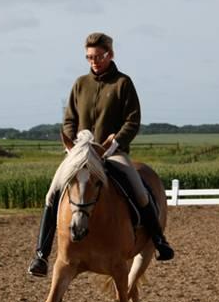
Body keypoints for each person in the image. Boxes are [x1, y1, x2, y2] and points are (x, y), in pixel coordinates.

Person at [28, 32, 174, 277]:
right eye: (89, 57)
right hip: (81, 155)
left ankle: (159, 240)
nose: (93, 61)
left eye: (97, 56)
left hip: (111, 152)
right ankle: (41, 255)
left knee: (138, 189)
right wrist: (72, 148)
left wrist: (114, 143)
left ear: (110, 54)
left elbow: (132, 120)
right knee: (52, 193)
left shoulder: (123, 83)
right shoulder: (80, 84)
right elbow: (69, 120)